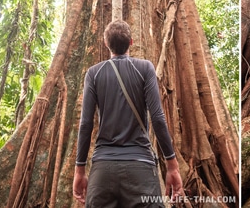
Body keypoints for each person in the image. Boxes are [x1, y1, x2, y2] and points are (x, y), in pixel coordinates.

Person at [73, 20, 184, 207]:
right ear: (131, 42)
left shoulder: (93, 73)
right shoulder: (145, 68)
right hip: (140, 168)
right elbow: (157, 118)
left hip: (102, 170)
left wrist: (79, 170)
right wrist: (172, 166)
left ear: (106, 43)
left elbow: (86, 124)